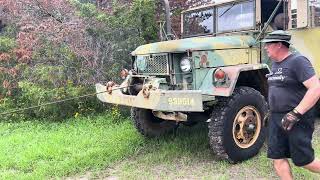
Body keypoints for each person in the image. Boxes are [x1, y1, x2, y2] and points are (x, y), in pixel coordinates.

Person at [262, 30, 320, 179]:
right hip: (276, 118)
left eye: (268, 44)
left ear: (279, 45)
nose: (265, 48)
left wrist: (296, 113)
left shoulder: (298, 61)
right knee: (277, 157)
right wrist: (271, 111)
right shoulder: (274, 64)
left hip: (296, 118)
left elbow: (315, 88)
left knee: (304, 161)